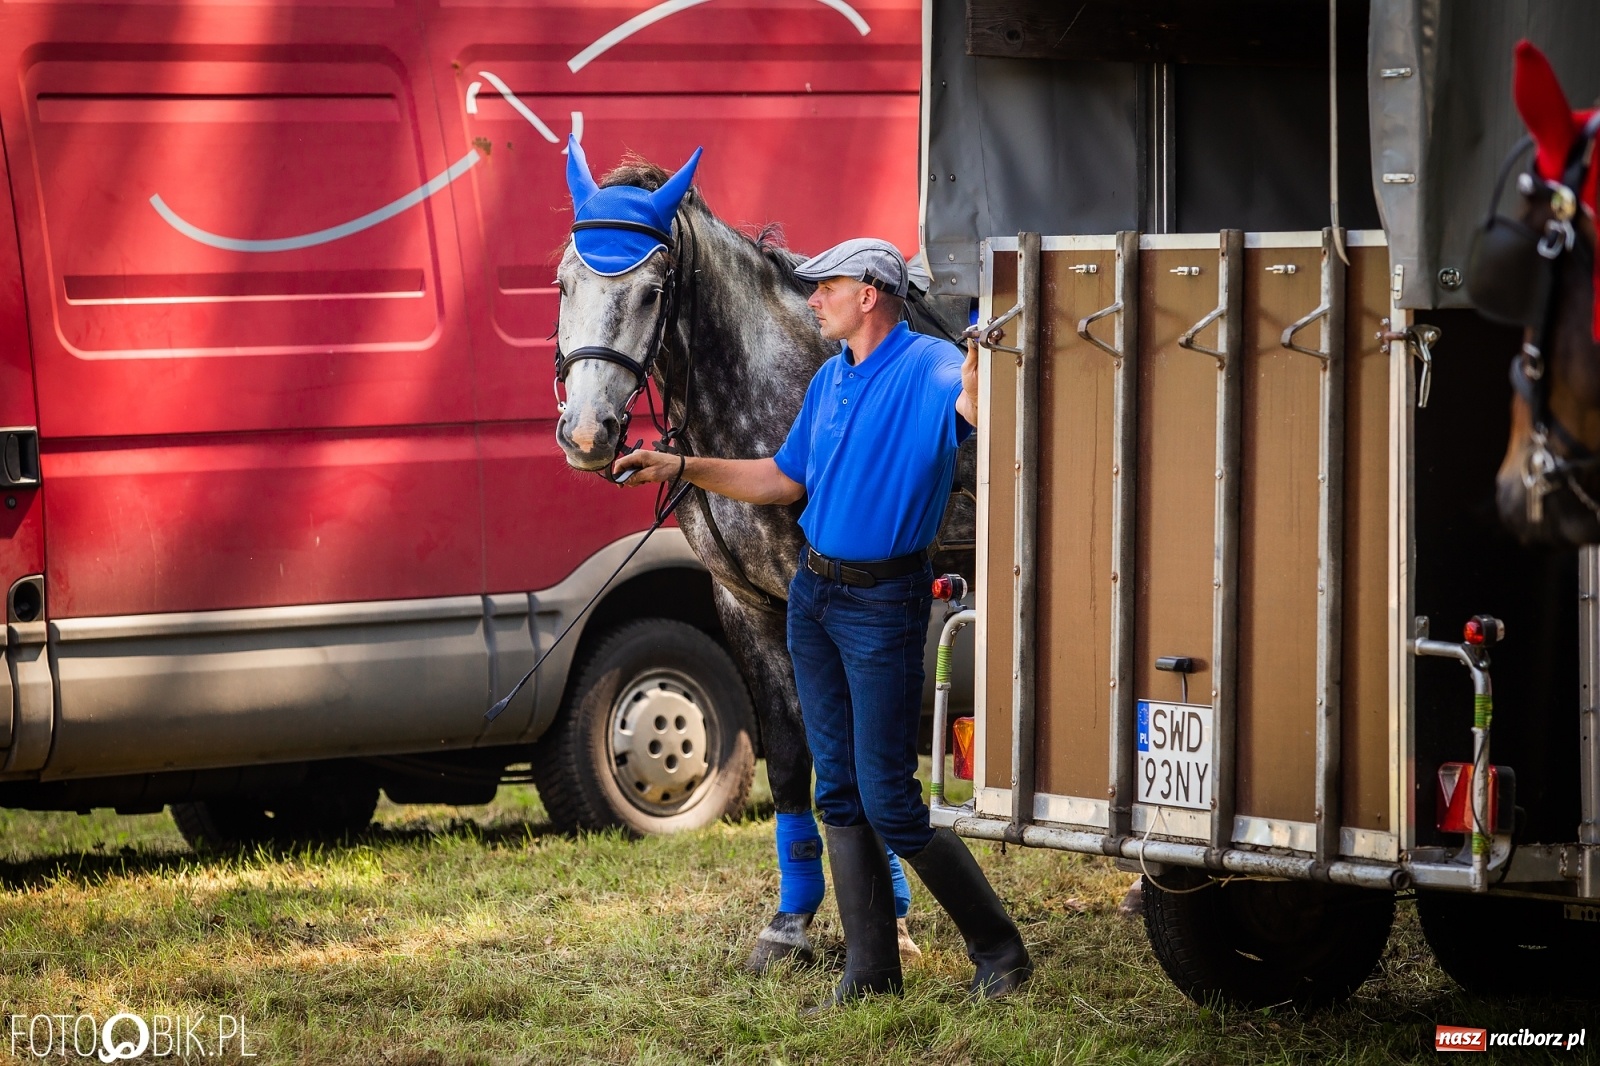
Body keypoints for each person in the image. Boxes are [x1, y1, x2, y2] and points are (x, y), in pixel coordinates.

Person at [614, 237, 1032, 1005]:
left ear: (870, 294)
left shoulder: (928, 367)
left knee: (890, 800)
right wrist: (679, 466)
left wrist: (979, 378)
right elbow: (779, 478)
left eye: (826, 287)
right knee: (838, 791)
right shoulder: (830, 381)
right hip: (816, 599)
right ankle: (871, 972)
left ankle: (1001, 950)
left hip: (884, 605)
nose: (811, 299)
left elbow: (972, 406)